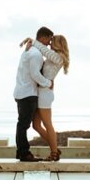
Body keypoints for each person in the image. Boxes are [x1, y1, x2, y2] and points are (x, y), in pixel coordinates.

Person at [23, 32, 70, 162]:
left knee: (47, 124)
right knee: (36, 125)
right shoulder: (53, 57)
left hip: (45, 94)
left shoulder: (59, 57)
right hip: (41, 92)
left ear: (57, 44)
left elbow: (44, 51)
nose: (49, 44)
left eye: (51, 41)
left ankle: (54, 153)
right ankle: (54, 148)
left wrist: (33, 41)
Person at [13, 26, 54, 161]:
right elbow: (35, 74)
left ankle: (21, 153)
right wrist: (48, 83)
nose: (49, 43)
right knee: (23, 125)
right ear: (43, 37)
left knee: (22, 124)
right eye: (48, 40)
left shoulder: (29, 50)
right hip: (28, 93)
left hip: (22, 91)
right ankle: (24, 154)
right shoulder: (36, 54)